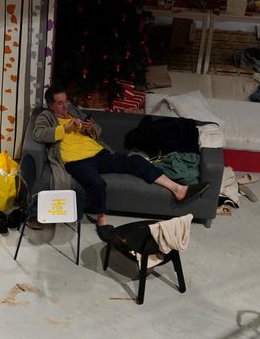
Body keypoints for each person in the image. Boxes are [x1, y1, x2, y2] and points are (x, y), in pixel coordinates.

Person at [31, 88, 209, 245]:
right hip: (75, 161)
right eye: (60, 103)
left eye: (66, 101)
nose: (65, 106)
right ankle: (102, 220)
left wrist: (89, 128)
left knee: (136, 161)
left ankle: (178, 189)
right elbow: (39, 134)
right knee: (97, 183)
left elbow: (97, 130)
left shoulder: (74, 112)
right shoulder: (46, 116)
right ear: (50, 105)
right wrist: (65, 129)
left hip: (99, 154)